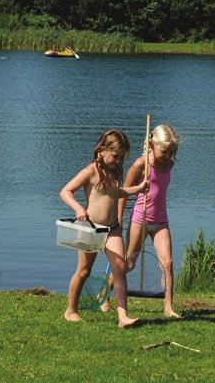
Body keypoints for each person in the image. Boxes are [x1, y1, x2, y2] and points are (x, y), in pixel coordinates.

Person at [60, 129, 148, 328]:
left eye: (123, 158)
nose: (119, 161)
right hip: (91, 229)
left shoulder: (115, 172)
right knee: (84, 270)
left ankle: (123, 317)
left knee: (120, 269)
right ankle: (71, 310)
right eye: (116, 156)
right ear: (101, 151)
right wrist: (78, 208)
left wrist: (138, 189)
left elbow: (116, 193)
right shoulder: (91, 171)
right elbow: (65, 191)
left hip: (112, 229)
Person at [103, 125, 181, 318]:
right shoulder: (141, 165)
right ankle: (103, 296)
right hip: (140, 219)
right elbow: (123, 193)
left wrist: (168, 157)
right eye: (164, 151)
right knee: (128, 265)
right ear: (152, 145)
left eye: (172, 151)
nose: (168, 155)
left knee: (168, 263)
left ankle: (168, 307)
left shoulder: (169, 164)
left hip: (161, 220)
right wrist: (119, 219)